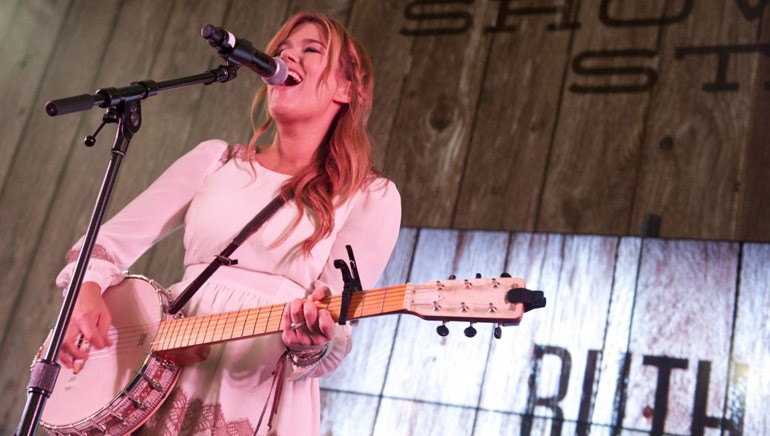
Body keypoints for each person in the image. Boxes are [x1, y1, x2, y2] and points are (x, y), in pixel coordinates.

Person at [55, 11, 401, 436]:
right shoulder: (214, 160)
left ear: (349, 88)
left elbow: (333, 328)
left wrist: (312, 341)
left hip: (254, 387)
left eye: (311, 51)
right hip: (155, 375)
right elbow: (103, 245)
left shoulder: (370, 195)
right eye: (280, 52)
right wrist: (85, 293)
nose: (288, 58)